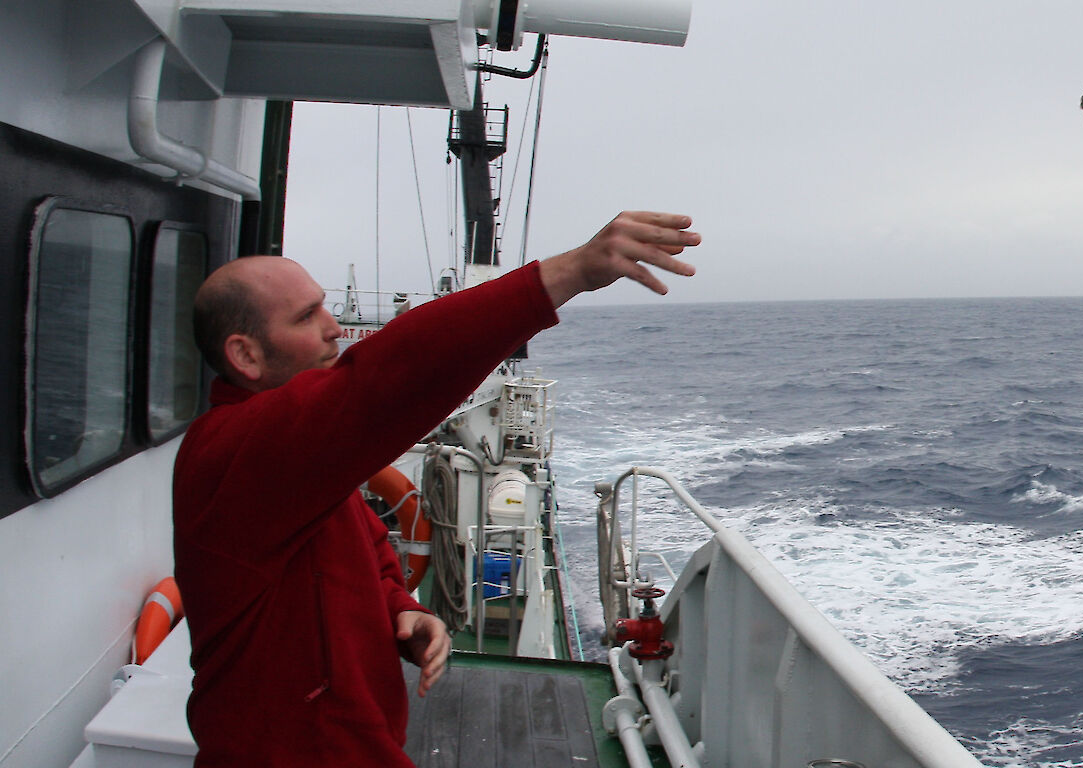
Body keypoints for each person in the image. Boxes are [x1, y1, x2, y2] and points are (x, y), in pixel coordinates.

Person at [172, 211, 700, 767]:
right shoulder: (236, 455)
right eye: (306, 317)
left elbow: (361, 545)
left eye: (325, 306)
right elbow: (386, 378)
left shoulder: (297, 469)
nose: (333, 328)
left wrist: (399, 607)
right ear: (246, 355)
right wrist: (566, 273)